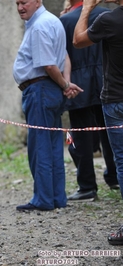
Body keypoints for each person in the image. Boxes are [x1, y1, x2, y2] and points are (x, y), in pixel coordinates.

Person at [13, 0, 83, 211]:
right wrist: (66, 83)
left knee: (40, 146)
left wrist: (64, 83)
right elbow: (64, 56)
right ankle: (57, 197)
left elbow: (49, 64)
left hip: (40, 90)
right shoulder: (52, 21)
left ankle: (43, 199)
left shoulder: (40, 25)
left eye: (24, 2)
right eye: (16, 3)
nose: (20, 7)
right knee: (53, 146)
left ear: (37, 1)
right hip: (49, 89)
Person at [73, 0, 123, 245]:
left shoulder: (109, 20)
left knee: (122, 162)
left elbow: (78, 40)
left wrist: (86, 8)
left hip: (116, 100)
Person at [60, 0, 119, 202]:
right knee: (110, 135)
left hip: (78, 85)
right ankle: (114, 177)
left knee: (79, 136)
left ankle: (86, 186)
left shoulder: (65, 21)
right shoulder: (106, 15)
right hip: (105, 81)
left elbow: (62, 52)